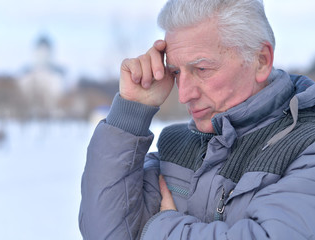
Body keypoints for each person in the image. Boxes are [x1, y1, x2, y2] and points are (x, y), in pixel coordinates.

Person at [79, 0, 315, 239]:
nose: (183, 95)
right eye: (176, 72)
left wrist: (163, 229)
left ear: (261, 60)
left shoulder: (306, 146)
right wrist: (130, 112)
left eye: (202, 69)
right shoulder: (177, 146)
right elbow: (105, 232)